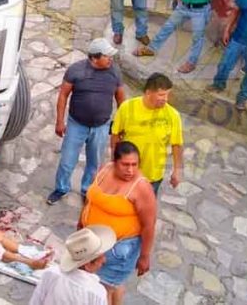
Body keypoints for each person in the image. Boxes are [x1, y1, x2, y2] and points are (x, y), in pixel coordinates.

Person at [47, 38, 125, 205]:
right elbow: (63, 95)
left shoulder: (115, 72)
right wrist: (60, 121)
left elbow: (121, 100)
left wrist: (120, 124)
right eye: (107, 56)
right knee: (67, 161)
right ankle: (61, 188)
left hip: (101, 127)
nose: (111, 59)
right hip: (76, 124)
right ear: (94, 58)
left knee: (94, 163)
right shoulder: (76, 70)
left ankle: (87, 190)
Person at [79, 142, 157, 305]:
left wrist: (144, 256)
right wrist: (81, 222)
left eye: (134, 165)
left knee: (103, 290)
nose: (130, 170)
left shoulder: (141, 187)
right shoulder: (105, 170)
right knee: (111, 284)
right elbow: (91, 200)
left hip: (116, 249)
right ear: (115, 162)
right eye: (125, 165)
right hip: (91, 241)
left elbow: (149, 225)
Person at [110, 73, 183, 195]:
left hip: (152, 175)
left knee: (145, 210)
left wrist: (177, 170)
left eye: (167, 94)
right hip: (126, 171)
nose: (165, 99)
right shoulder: (127, 107)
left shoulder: (173, 115)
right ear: (148, 92)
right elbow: (115, 134)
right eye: (161, 95)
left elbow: (177, 144)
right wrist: (114, 160)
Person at [28, 226, 116, 305]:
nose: (104, 260)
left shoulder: (52, 273)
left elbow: (36, 301)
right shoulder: (97, 293)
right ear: (88, 265)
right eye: (101, 257)